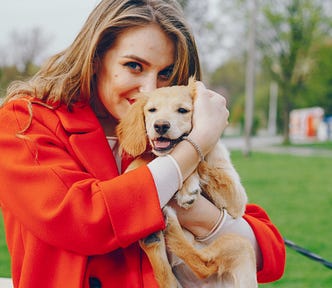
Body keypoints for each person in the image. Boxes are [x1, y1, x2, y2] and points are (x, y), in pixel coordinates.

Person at [0, 0, 285, 287]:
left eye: (165, 74)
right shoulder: (26, 122)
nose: (150, 89)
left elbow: (267, 251)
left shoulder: (166, 133)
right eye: (134, 66)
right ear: (96, 58)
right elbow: (84, 219)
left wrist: (198, 213)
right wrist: (196, 145)